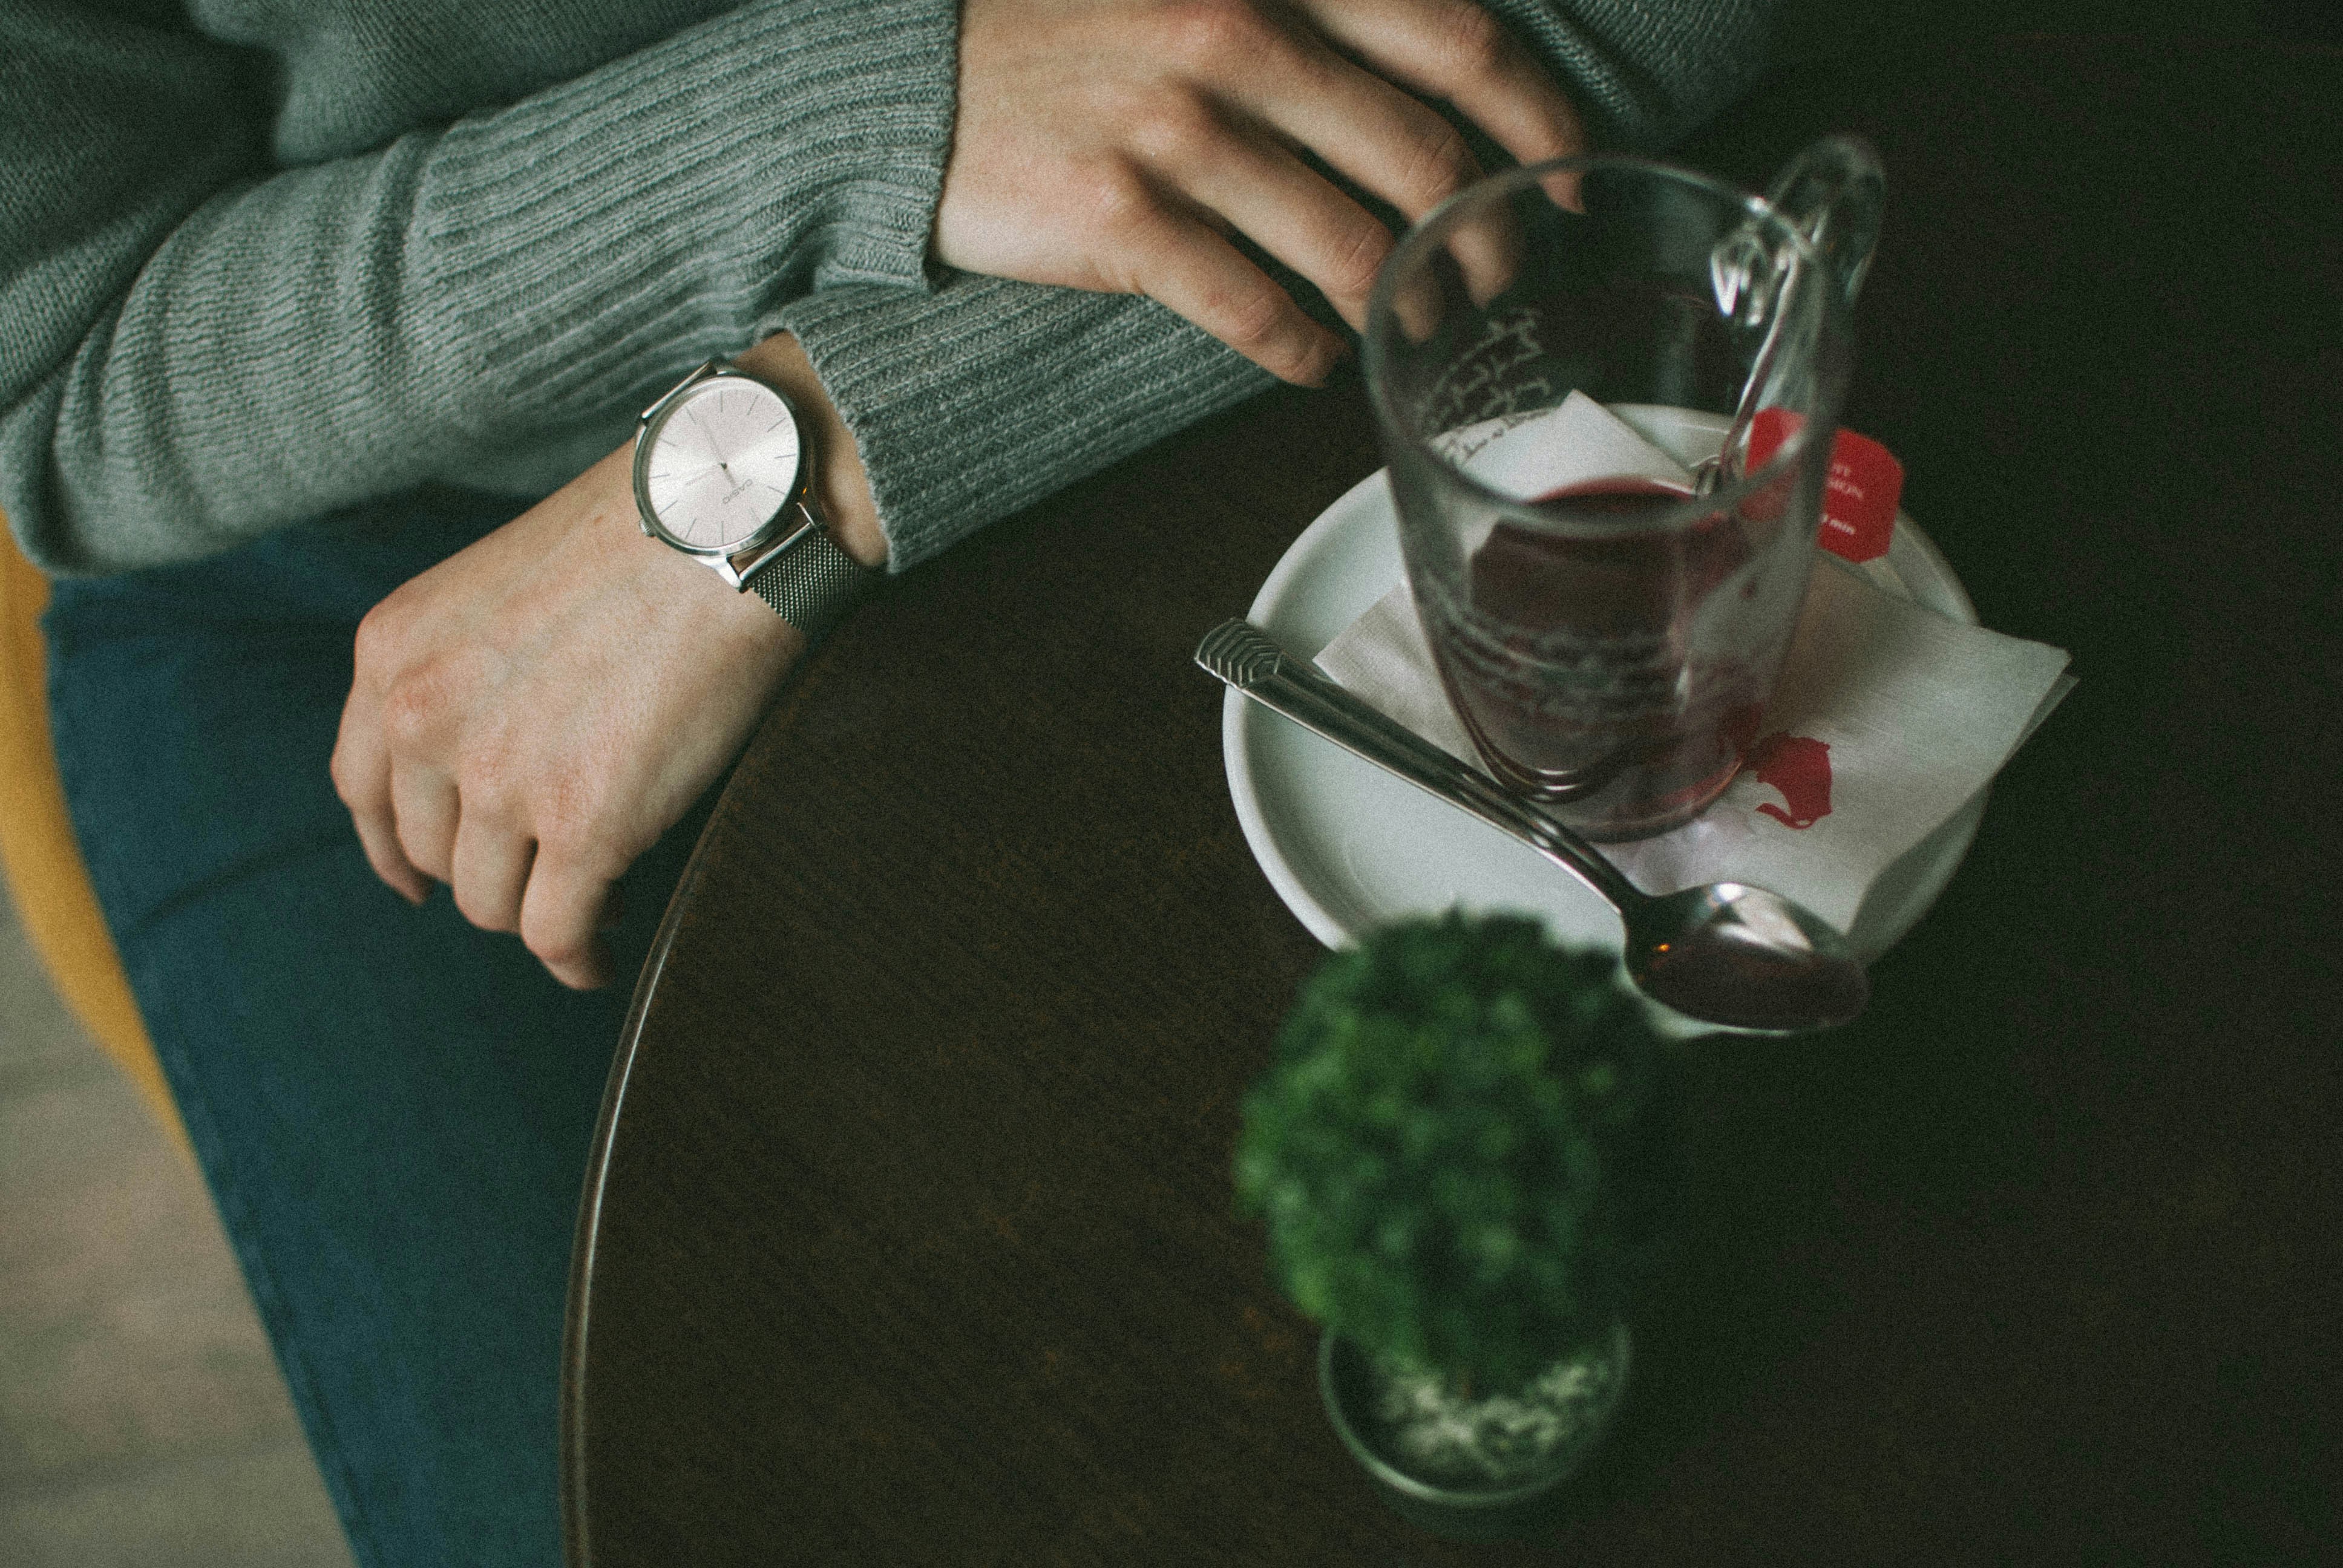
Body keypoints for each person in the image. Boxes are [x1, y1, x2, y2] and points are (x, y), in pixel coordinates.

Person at [1, 1, 1781, 1561]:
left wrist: (820, 450)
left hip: (1173, 343)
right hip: (376, 549)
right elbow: (65, 365)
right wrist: (877, 115)